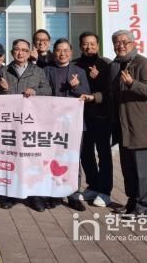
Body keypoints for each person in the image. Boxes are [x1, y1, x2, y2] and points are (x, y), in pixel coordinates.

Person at [108, 29, 147, 217]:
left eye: (124, 42)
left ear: (133, 44)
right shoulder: (116, 65)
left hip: (140, 126)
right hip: (123, 126)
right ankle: (132, 202)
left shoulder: (143, 63)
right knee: (128, 168)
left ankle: (143, 207)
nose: (120, 45)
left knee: (142, 169)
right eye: (117, 42)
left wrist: (132, 83)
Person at [0, 38, 51, 210]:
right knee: (12, 158)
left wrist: (35, 91)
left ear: (29, 53)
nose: (20, 53)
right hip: (11, 123)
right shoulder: (4, 71)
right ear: (12, 52)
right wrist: (4, 90)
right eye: (17, 50)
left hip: (32, 122)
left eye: (24, 50)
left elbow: (48, 91)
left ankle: (35, 196)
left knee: (32, 159)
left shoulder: (38, 71)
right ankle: (11, 195)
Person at [43, 38, 90, 212]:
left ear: (71, 52)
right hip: (52, 123)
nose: (62, 54)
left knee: (73, 160)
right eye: (59, 50)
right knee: (53, 158)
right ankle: (54, 194)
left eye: (66, 50)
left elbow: (87, 94)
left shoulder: (79, 71)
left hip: (73, 124)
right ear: (54, 52)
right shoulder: (46, 70)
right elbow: (42, 94)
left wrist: (76, 87)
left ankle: (73, 195)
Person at [74, 32, 113, 208]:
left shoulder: (106, 64)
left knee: (103, 154)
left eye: (92, 44)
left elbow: (111, 92)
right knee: (85, 153)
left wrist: (99, 78)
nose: (88, 47)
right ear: (80, 45)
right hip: (81, 116)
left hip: (101, 116)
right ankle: (93, 185)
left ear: (98, 45)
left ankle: (105, 191)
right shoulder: (75, 65)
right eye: (85, 44)